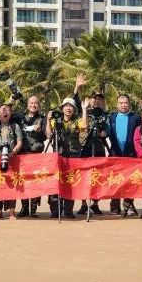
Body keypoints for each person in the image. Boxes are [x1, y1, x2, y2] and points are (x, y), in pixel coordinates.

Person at [47, 74, 87, 218]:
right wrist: (48, 120)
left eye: (71, 106)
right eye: (66, 106)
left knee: (70, 182)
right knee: (56, 183)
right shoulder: (56, 121)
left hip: (73, 157)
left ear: (74, 109)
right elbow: (48, 134)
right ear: (62, 108)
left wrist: (85, 110)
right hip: (58, 156)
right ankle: (55, 209)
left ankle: (68, 210)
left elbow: (84, 126)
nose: (68, 108)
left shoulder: (77, 121)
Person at [0, 90, 25, 219]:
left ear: (11, 113)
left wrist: (14, 151)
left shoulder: (14, 126)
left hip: (11, 159)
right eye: (2, 109)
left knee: (11, 184)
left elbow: (20, 142)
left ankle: (12, 212)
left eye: (7, 109)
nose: (5, 111)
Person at [105, 93, 142, 216]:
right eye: (121, 103)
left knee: (129, 181)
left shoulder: (136, 118)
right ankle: (114, 207)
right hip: (115, 154)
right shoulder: (111, 117)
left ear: (129, 104)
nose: (124, 105)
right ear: (117, 105)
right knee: (115, 181)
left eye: (126, 103)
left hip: (130, 154)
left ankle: (129, 206)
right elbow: (106, 132)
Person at [77, 90, 110, 216]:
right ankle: (83, 204)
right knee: (83, 177)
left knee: (98, 177)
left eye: (100, 99)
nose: (97, 101)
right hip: (85, 147)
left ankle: (95, 204)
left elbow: (108, 128)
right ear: (90, 100)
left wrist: (105, 132)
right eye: (95, 98)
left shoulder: (105, 115)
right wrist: (85, 109)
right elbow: (82, 126)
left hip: (99, 148)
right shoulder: (85, 112)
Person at [16, 93, 48, 217]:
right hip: (23, 154)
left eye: (36, 103)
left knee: (35, 181)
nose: (33, 105)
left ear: (39, 105)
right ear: (27, 104)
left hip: (36, 155)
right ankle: (24, 208)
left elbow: (46, 135)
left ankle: (33, 209)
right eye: (31, 103)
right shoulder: (20, 117)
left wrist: (40, 130)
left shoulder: (43, 119)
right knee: (23, 181)